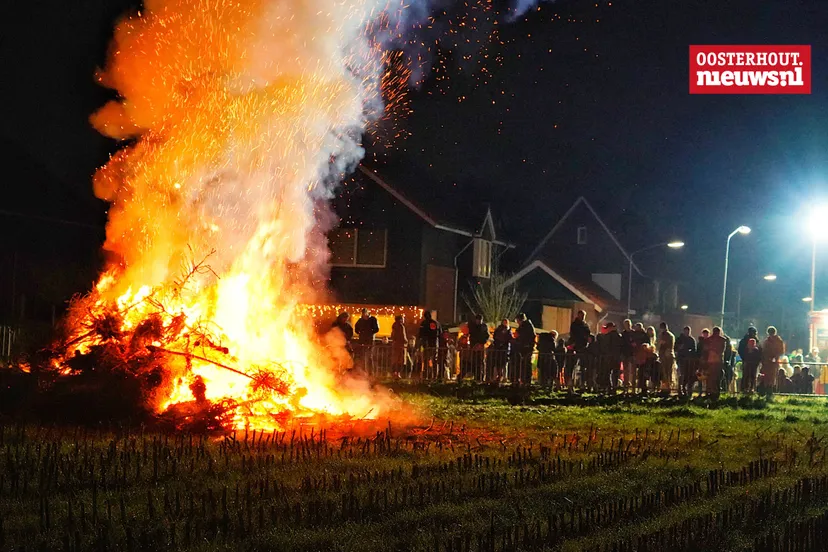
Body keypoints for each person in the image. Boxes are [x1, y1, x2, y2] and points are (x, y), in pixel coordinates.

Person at [567, 310, 591, 391]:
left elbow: (588, 334)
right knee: (573, 365)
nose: (582, 317)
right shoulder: (575, 325)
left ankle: (581, 383)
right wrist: (574, 343)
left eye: (583, 315)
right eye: (581, 315)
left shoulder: (585, 325)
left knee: (583, 366)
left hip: (583, 347)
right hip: (576, 347)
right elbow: (573, 335)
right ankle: (571, 383)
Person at [598, 322, 623, 393]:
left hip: (609, 357)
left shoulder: (606, 336)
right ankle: (614, 388)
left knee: (607, 373)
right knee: (615, 373)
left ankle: (609, 388)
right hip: (617, 357)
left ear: (610, 328)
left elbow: (604, 347)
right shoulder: (619, 336)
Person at [703, 327, 728, 398]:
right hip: (716, 361)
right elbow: (722, 350)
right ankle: (714, 391)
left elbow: (706, 349)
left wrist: (712, 350)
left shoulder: (710, 340)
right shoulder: (722, 340)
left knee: (713, 377)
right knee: (714, 377)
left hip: (713, 361)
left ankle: (712, 391)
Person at [354, 308, 380, 374]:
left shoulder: (373, 319)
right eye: (363, 313)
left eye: (365, 313)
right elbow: (356, 328)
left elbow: (376, 329)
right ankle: (363, 372)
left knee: (369, 356)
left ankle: (370, 372)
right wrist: (360, 333)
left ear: (368, 313)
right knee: (362, 356)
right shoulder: (360, 320)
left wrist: (370, 333)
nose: (364, 314)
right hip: (362, 340)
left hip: (370, 340)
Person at [417, 310, 441, 379]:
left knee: (426, 360)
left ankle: (426, 376)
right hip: (435, 344)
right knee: (434, 360)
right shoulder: (436, 323)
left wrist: (419, 344)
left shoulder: (424, 323)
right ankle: (435, 376)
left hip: (426, 344)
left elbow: (420, 334)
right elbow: (440, 334)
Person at [761, 326, 786, 392]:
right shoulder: (778, 341)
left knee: (772, 376)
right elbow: (781, 351)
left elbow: (764, 350)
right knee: (770, 376)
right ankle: (769, 388)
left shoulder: (768, 341)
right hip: (769, 361)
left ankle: (771, 389)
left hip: (772, 361)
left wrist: (774, 357)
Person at [514, 313, 536, 384]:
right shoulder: (526, 326)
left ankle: (526, 380)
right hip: (525, 347)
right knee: (524, 365)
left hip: (526, 348)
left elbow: (524, 336)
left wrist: (518, 337)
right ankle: (524, 380)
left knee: (526, 365)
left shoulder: (525, 326)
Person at [675, 326, 697, 397]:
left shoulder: (691, 340)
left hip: (689, 361)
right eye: (685, 331)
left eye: (688, 332)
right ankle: (680, 389)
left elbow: (694, 350)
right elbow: (675, 347)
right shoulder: (679, 339)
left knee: (687, 375)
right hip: (681, 359)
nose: (686, 333)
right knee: (681, 375)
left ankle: (686, 389)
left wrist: (689, 353)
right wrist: (679, 348)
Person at [468, 314, 490, 381]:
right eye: (478, 320)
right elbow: (472, 335)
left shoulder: (484, 326)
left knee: (481, 362)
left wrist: (481, 343)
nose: (479, 321)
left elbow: (487, 335)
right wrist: (475, 344)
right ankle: (475, 376)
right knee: (474, 362)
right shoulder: (472, 326)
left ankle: (481, 377)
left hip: (481, 346)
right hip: (474, 346)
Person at [657, 322, 675, 394]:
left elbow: (662, 344)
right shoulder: (671, 335)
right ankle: (668, 387)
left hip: (665, 356)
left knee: (665, 372)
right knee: (668, 372)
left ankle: (666, 388)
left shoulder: (665, 335)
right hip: (669, 355)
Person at [390, 314, 408, 380]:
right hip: (401, 346)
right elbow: (403, 336)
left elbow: (392, 335)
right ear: (400, 319)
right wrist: (406, 341)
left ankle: (394, 373)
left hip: (395, 345)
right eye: (403, 318)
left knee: (395, 360)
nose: (404, 320)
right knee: (401, 360)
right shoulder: (401, 326)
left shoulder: (394, 326)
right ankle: (398, 373)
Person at [620, 319, 636, 393]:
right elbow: (621, 344)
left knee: (633, 372)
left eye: (628, 324)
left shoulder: (634, 333)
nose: (627, 326)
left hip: (632, 354)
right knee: (626, 371)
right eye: (626, 324)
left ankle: (633, 388)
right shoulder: (623, 334)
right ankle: (626, 387)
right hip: (625, 354)